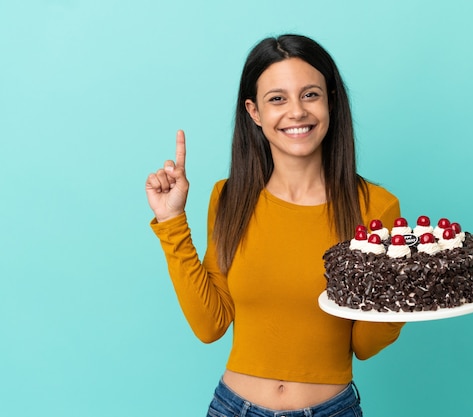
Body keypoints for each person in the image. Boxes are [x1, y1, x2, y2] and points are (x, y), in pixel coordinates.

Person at [145, 34, 405, 417]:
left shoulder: (376, 208)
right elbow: (210, 324)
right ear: (254, 112)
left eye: (311, 94)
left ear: (331, 100)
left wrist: (399, 289)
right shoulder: (230, 197)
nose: (296, 112)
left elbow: (365, 345)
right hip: (234, 407)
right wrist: (171, 221)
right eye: (277, 98)